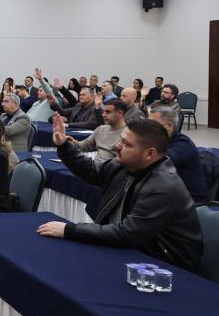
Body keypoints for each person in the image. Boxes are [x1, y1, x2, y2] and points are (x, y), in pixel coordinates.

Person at [37, 115, 203, 271]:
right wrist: (63, 145)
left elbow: (127, 233)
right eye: (120, 139)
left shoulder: (162, 188)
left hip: (163, 265)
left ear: (150, 154)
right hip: (131, 250)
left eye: (126, 144)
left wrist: (70, 230)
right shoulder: (125, 164)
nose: (116, 146)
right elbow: (91, 171)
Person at [147, 106, 209, 205]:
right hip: (170, 193)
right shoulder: (160, 140)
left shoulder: (183, 143)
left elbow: (161, 160)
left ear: (169, 125)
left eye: (153, 124)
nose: (148, 128)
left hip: (192, 200)